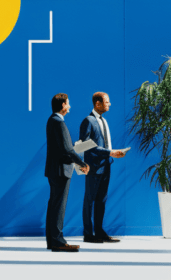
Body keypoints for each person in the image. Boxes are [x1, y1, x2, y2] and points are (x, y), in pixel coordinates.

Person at [79, 92, 126, 244]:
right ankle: (88, 234)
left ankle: (99, 232)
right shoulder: (88, 121)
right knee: (89, 201)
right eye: (107, 101)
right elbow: (85, 146)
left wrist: (111, 155)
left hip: (106, 166)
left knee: (101, 201)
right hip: (93, 168)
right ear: (97, 104)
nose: (109, 104)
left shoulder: (104, 121)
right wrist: (110, 152)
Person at [45, 93, 89, 252]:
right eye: (68, 103)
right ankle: (58, 241)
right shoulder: (59, 122)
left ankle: (52, 240)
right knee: (59, 206)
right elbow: (67, 149)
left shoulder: (52, 121)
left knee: (54, 205)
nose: (69, 106)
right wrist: (82, 163)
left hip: (54, 170)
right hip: (61, 171)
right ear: (63, 105)